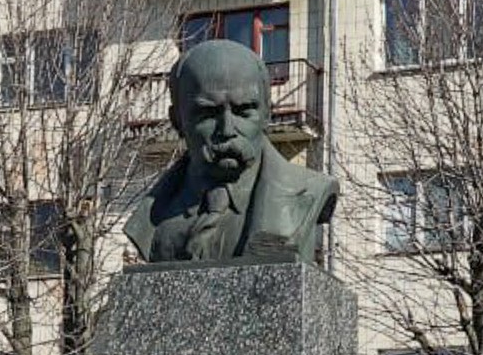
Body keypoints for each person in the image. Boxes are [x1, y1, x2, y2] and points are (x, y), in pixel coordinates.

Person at [125, 38, 339, 264]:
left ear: (267, 113)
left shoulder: (309, 191)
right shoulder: (154, 216)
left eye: (244, 111)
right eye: (208, 114)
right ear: (177, 120)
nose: (227, 129)